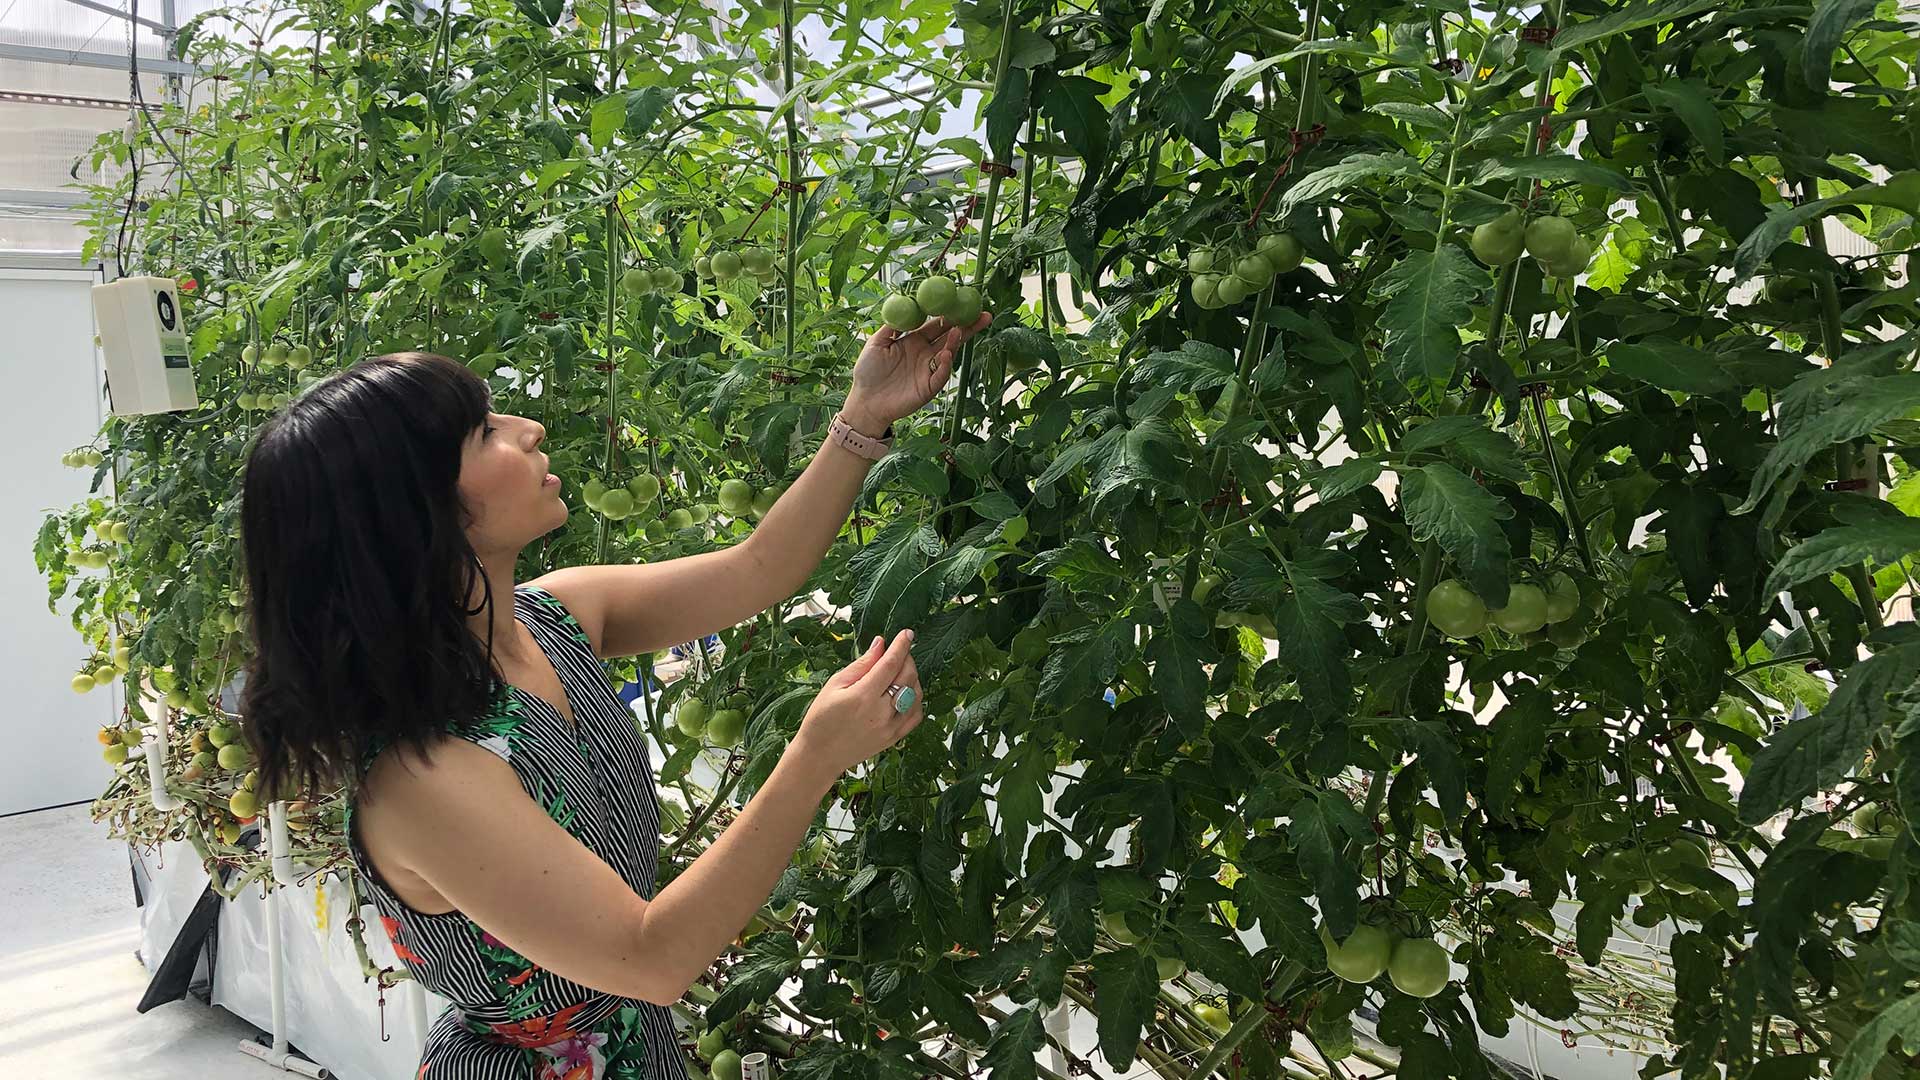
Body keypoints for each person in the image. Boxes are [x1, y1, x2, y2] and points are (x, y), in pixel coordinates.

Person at [237, 309, 991, 1079]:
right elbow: (650, 957)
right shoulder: (421, 775)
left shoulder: (553, 614)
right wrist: (814, 754)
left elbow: (761, 567)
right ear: (410, 509)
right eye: (484, 431)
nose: (527, 429)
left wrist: (863, 415)